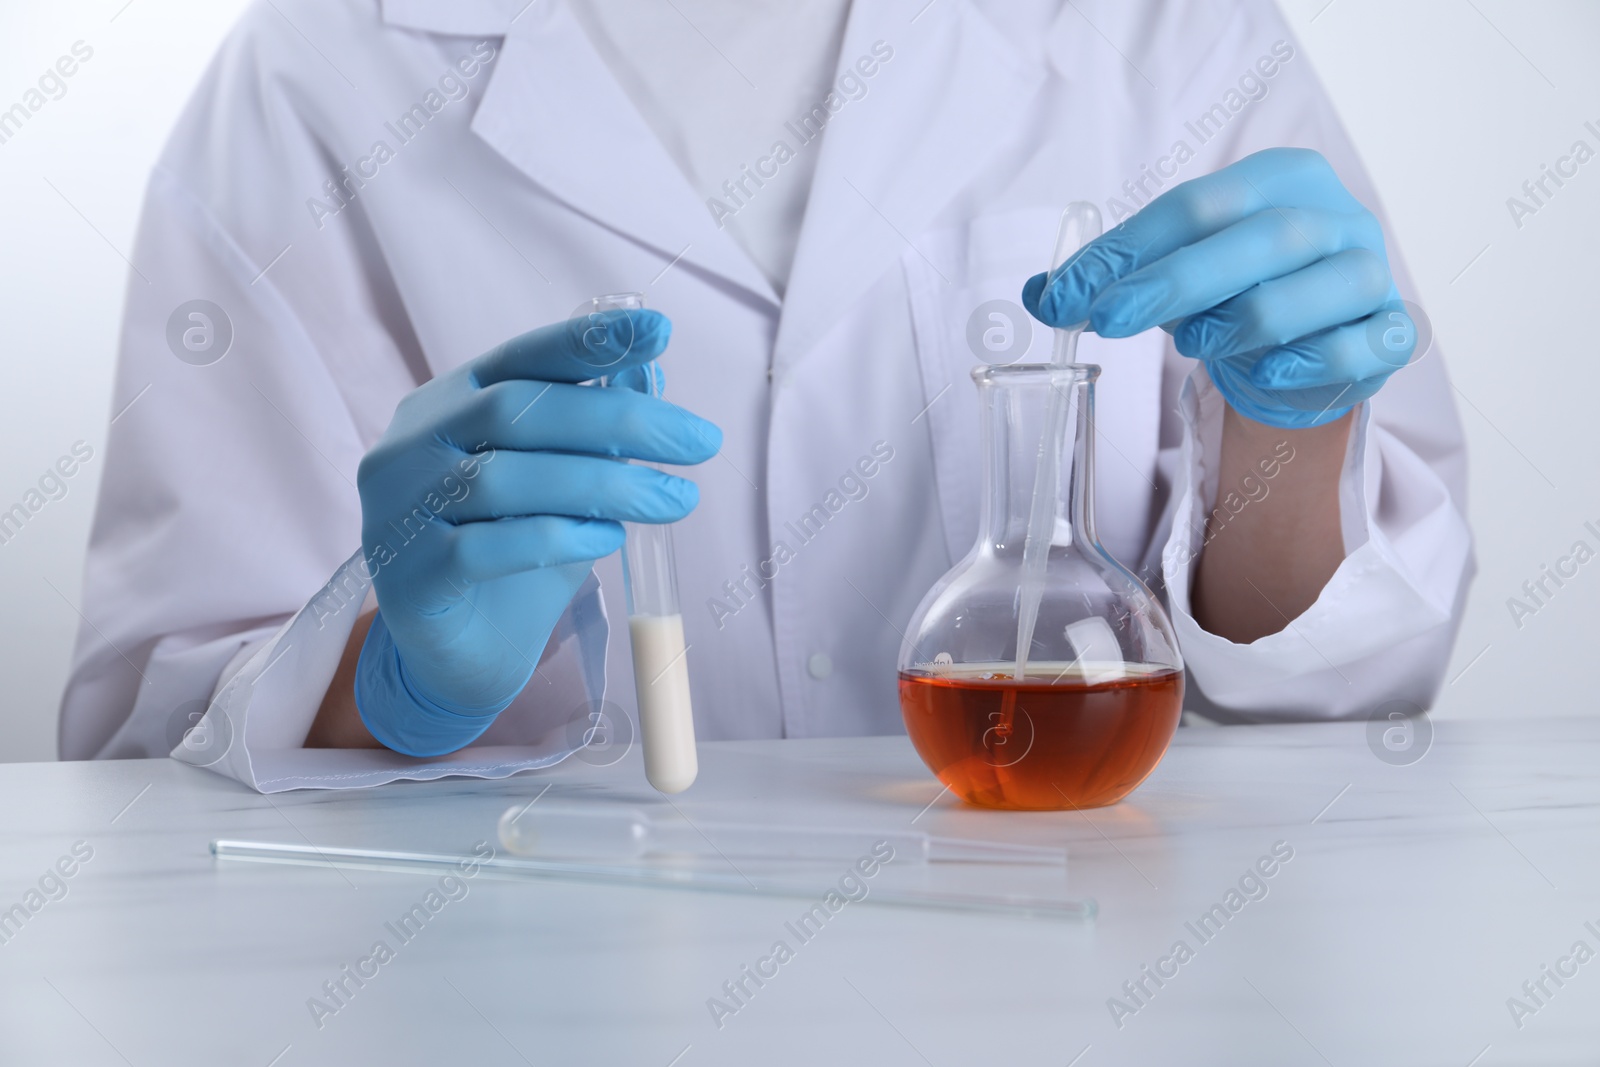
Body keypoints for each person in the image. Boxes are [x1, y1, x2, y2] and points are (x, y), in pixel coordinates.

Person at [61, 0, 1472, 791]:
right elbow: (149, 735)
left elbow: (1344, 687)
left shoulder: (1168, 37)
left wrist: (1292, 432)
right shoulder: (320, 73)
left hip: (1077, 987)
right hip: (540, 996)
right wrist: (391, 681)